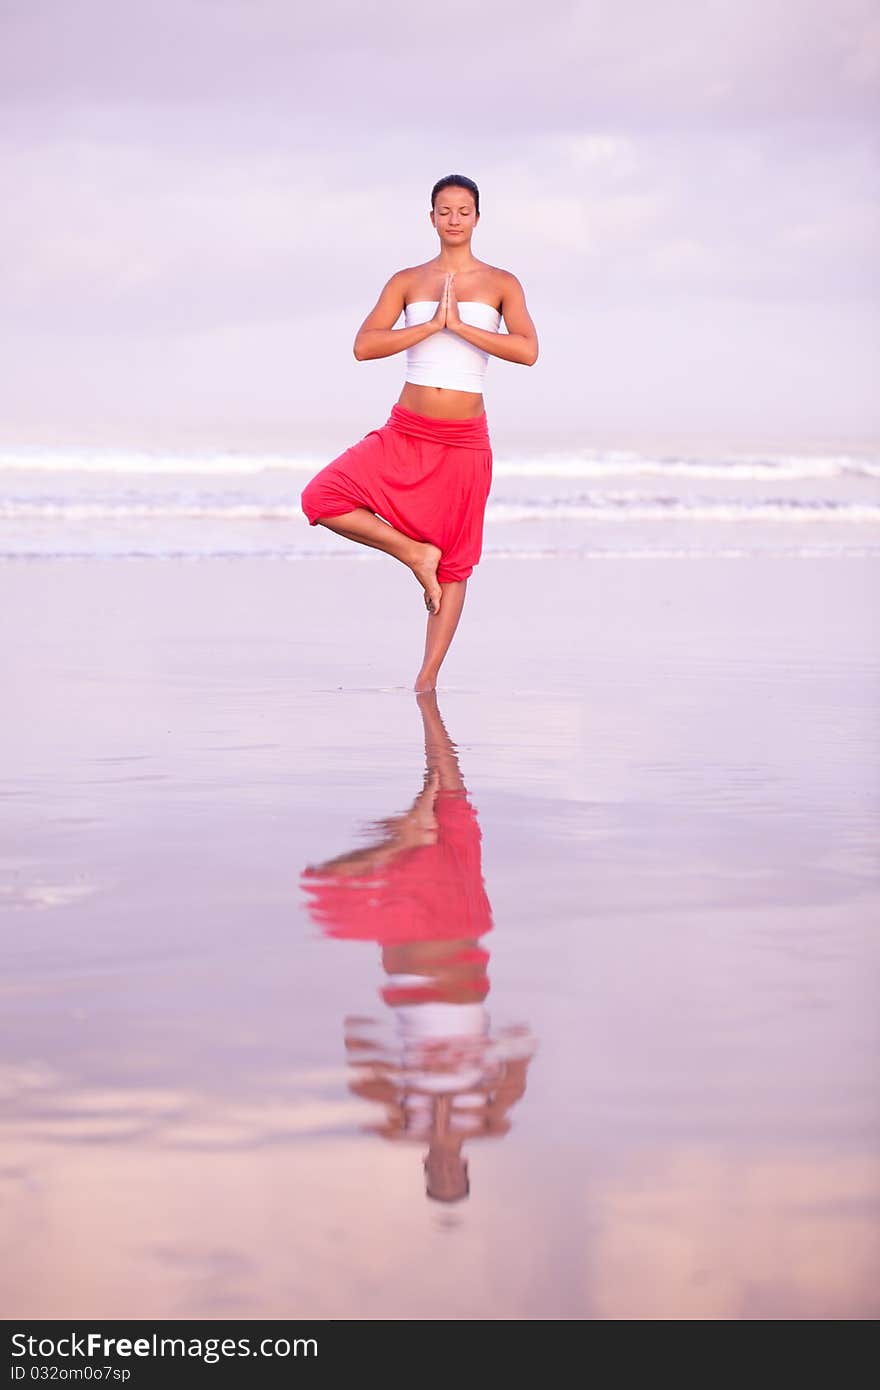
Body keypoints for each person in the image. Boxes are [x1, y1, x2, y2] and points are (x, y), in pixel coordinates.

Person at [300, 174, 539, 693]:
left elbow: (527, 351)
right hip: (407, 428)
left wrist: (460, 326)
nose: (454, 219)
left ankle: (426, 681)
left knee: (456, 559)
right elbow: (365, 346)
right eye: (444, 210)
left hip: (464, 440)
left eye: (464, 211)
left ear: (477, 218)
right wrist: (429, 325)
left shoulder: (502, 283)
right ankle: (413, 553)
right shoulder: (407, 281)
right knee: (321, 496)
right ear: (430, 217)